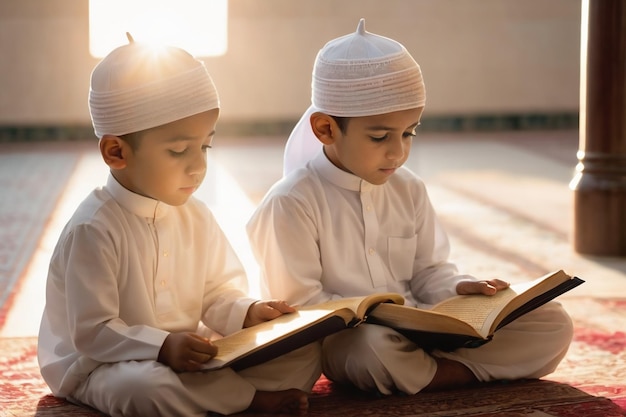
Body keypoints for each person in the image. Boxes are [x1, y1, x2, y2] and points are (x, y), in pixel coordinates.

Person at [247, 19, 573, 396]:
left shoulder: (409, 188)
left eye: (409, 133)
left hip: (426, 327)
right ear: (326, 129)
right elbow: (302, 308)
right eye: (380, 136)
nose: (398, 152)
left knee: (551, 322)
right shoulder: (291, 202)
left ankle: (433, 373)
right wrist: (382, 316)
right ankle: (453, 372)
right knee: (372, 349)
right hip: (353, 341)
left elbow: (429, 272)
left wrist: (459, 287)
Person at [37, 35, 321, 417]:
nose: (198, 166)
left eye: (205, 147)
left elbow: (218, 293)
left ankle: (219, 397)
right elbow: (93, 333)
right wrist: (160, 347)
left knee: (304, 349)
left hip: (189, 355)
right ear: (116, 152)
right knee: (143, 388)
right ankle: (252, 402)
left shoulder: (195, 214)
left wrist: (249, 312)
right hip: (102, 365)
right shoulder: (94, 229)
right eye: (178, 151)